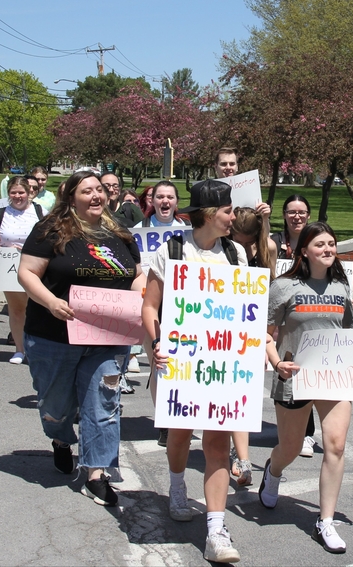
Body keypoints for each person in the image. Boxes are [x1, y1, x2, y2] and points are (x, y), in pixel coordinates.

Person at [17, 169, 143, 506]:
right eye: (87, 191)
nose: (96, 196)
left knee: (104, 404)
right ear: (71, 196)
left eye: (99, 190)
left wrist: (143, 293)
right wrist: (51, 301)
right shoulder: (50, 231)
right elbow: (27, 272)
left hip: (110, 336)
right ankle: (60, 438)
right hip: (53, 335)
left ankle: (96, 473)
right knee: (56, 404)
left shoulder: (120, 234)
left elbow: (136, 276)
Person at [141, 179, 247, 564]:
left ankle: (216, 530)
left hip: (221, 363)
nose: (233, 217)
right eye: (227, 211)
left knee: (218, 444)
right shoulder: (171, 251)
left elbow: (242, 311)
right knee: (181, 434)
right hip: (180, 361)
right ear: (206, 214)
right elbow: (151, 307)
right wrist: (156, 344)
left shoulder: (235, 254)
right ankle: (176, 486)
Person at [259, 222, 353, 555]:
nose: (328, 249)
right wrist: (276, 362)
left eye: (332, 244)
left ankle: (324, 521)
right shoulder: (283, 287)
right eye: (321, 244)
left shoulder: (341, 288)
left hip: (333, 378)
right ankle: (274, 470)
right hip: (294, 377)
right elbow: (266, 335)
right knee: (291, 447)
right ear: (304, 252)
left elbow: (351, 338)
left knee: (336, 445)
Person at [226, 206, 278, 488]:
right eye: (238, 238)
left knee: (246, 391)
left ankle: (239, 453)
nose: (243, 245)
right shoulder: (225, 248)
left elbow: (270, 288)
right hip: (225, 324)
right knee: (231, 389)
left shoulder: (267, 246)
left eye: (248, 241)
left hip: (253, 325)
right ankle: (238, 453)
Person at [269, 194, 319, 457]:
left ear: (308, 215)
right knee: (286, 369)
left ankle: (308, 434)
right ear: (284, 215)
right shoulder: (275, 242)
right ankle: (290, 432)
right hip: (279, 310)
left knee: (308, 370)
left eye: (301, 212)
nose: (296, 216)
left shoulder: (316, 240)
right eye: (291, 212)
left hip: (308, 313)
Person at [0, 177, 43, 364]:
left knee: (39, 308)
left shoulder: (41, 212)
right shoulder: (0, 215)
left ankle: (39, 349)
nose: (18, 196)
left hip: (36, 266)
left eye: (21, 192)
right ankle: (20, 349)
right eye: (13, 192)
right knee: (17, 309)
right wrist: (6, 250)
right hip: (10, 267)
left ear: (29, 192)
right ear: (8, 193)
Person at [214, 147, 270, 219]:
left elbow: (262, 229)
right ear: (216, 166)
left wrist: (265, 218)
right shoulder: (206, 192)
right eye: (224, 164)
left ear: (237, 167)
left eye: (232, 164)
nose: (228, 167)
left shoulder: (250, 191)